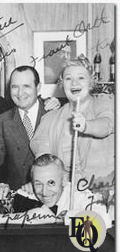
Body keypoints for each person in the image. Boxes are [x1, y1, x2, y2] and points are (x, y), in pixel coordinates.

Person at [30, 56, 114, 185]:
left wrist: (86, 126)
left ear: (91, 81)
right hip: (65, 192)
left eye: (81, 77)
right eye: (68, 78)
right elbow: (43, 157)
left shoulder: (104, 102)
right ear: (62, 83)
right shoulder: (50, 119)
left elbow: (107, 124)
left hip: (102, 189)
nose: (74, 83)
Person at [0, 65, 60, 191]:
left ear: (38, 87)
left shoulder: (53, 112)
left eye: (26, 86)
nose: (20, 93)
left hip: (52, 192)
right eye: (15, 87)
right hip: (19, 196)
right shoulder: (3, 120)